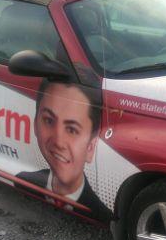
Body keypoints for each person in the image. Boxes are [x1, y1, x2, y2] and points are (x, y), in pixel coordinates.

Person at [16, 79, 112, 223]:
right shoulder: (21, 181)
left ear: (90, 147)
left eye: (72, 130)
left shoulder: (103, 214)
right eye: (49, 120)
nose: (58, 142)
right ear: (35, 124)